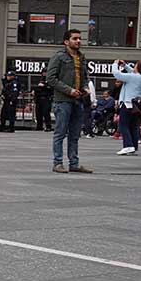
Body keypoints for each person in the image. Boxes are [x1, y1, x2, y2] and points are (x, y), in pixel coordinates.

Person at [47, 28, 93, 173]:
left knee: (74, 134)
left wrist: (85, 87)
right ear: (66, 41)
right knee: (60, 133)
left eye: (79, 38)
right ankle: (57, 163)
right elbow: (51, 78)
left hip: (78, 100)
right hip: (63, 101)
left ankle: (74, 163)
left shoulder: (81, 57)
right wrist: (69, 90)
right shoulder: (59, 56)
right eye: (75, 38)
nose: (78, 41)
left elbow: (85, 76)